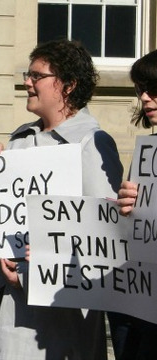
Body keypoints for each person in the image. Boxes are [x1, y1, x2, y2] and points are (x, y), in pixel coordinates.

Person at [0, 39, 123, 359]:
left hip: (57, 325)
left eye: (36, 75)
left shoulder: (92, 143)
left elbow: (104, 238)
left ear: (67, 85)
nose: (27, 82)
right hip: (12, 308)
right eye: (28, 74)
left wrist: (40, 266)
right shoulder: (21, 137)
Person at [113, 49, 157, 360]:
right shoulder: (147, 155)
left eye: (153, 89)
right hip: (144, 299)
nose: (144, 97)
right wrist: (128, 207)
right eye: (140, 89)